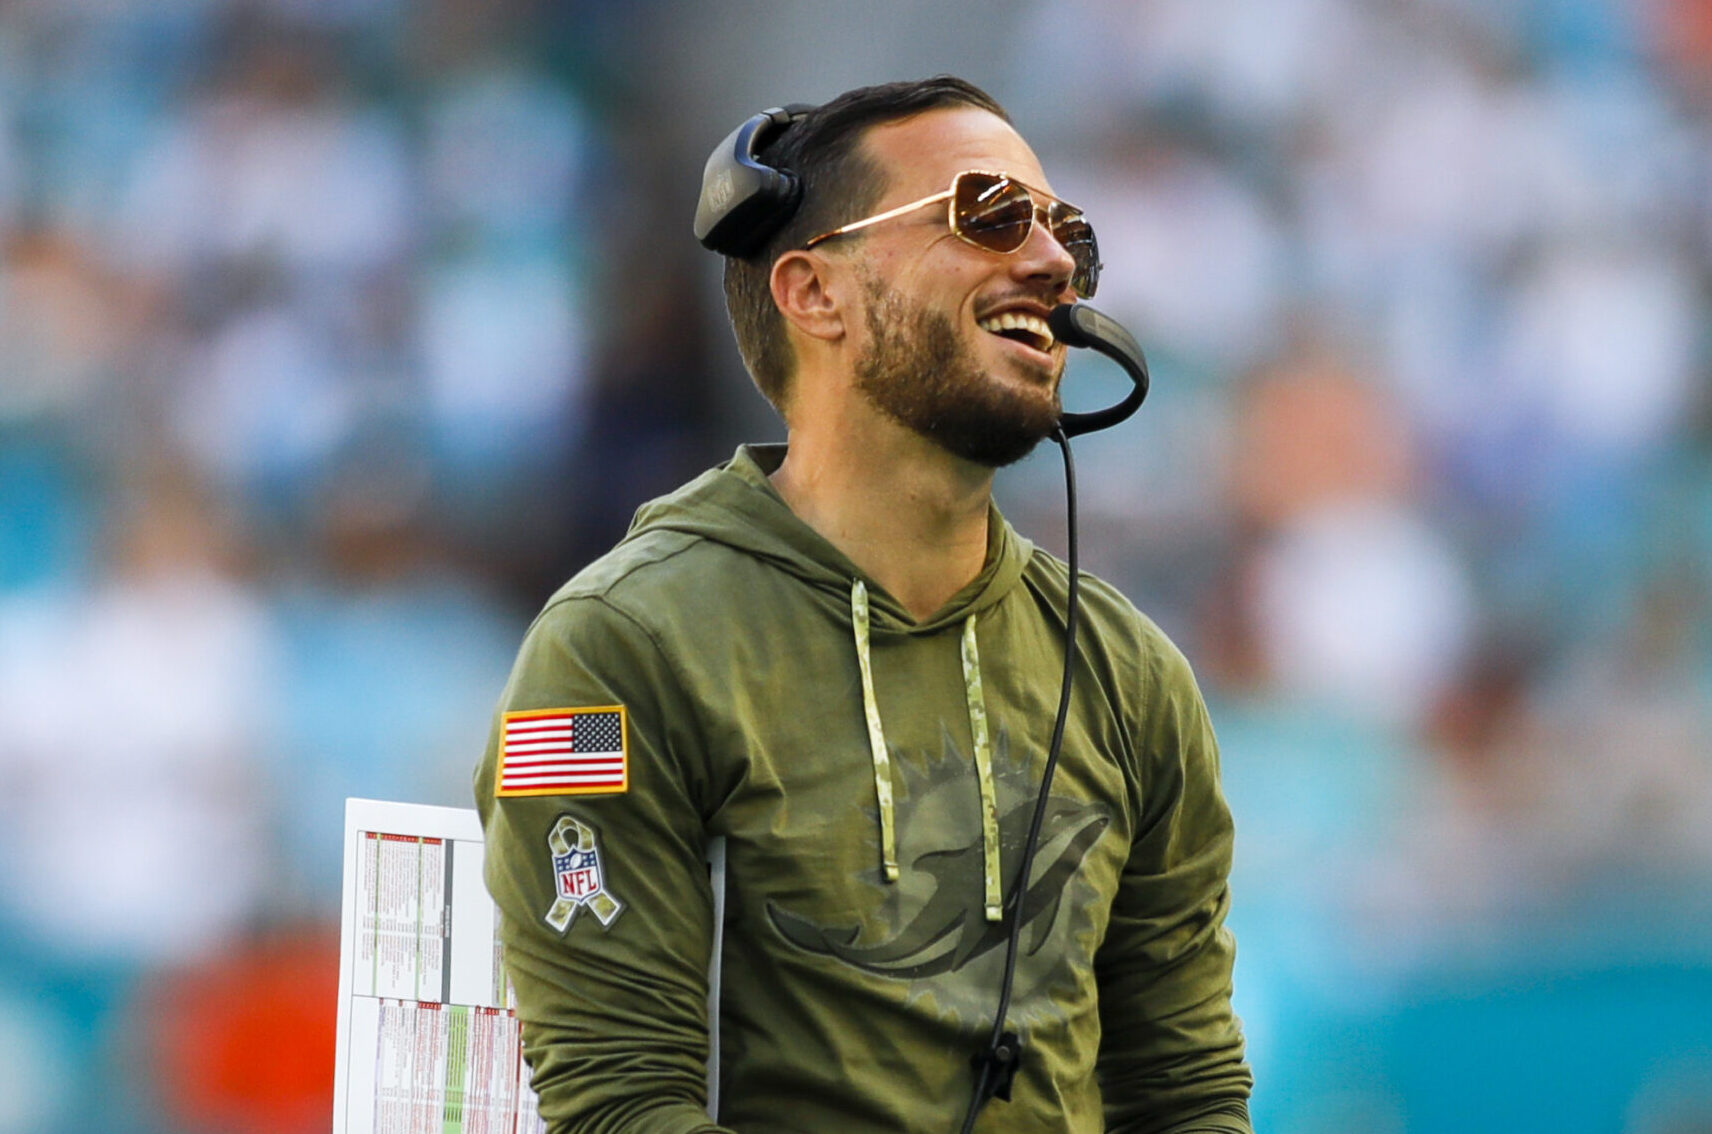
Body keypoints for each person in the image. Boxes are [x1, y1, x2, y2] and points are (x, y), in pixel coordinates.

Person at [475, 76, 1251, 1133]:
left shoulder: (1132, 674)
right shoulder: (616, 652)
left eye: (1069, 231)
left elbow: (1187, 1094)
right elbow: (618, 1105)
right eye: (988, 214)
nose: (1054, 261)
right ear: (814, 293)